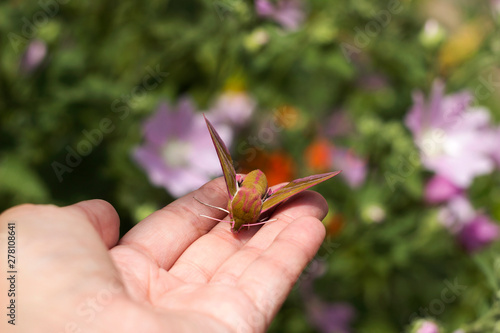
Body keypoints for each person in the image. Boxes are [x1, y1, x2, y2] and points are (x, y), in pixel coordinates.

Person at [0, 177, 328, 333]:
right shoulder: (241, 208)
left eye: (238, 221)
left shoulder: (237, 201)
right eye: (233, 219)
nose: (234, 226)